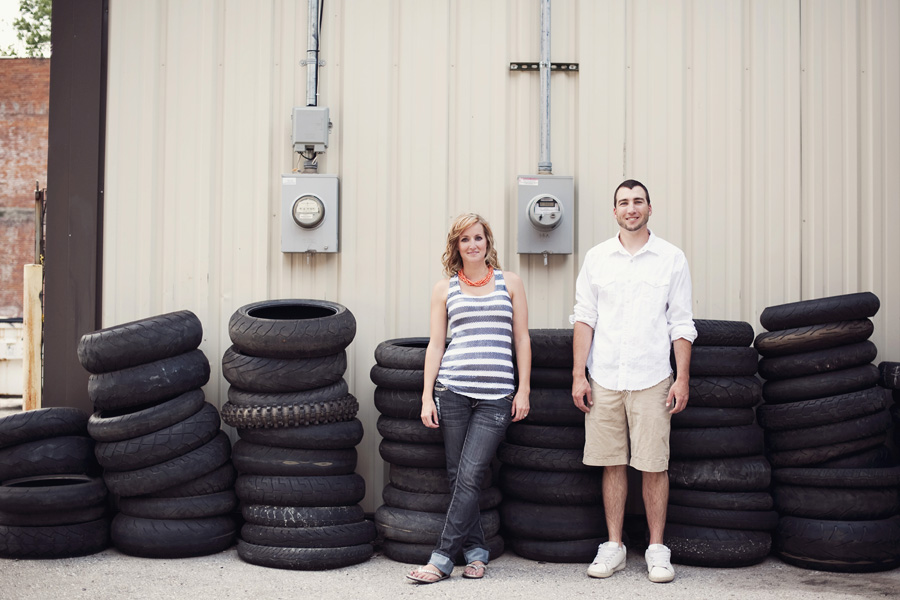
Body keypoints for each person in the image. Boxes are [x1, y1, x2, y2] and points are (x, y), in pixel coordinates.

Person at [570, 179, 696, 584]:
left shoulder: (671, 259)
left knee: (654, 465)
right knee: (612, 464)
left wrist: (682, 379)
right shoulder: (597, 258)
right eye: (623, 202)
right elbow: (584, 318)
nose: (631, 208)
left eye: (638, 201)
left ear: (649, 208)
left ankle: (657, 550)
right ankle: (614, 547)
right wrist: (578, 375)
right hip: (604, 376)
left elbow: (681, 323)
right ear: (614, 211)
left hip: (653, 378)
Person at [406, 213, 531, 584]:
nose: (473, 245)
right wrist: (427, 396)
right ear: (455, 246)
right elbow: (436, 344)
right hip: (453, 390)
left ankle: (442, 558)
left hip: (496, 396)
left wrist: (523, 389)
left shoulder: (510, 283)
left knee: (473, 471)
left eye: (479, 238)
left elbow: (521, 339)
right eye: (465, 239)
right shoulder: (444, 289)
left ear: (488, 242)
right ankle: (476, 554)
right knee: (458, 475)